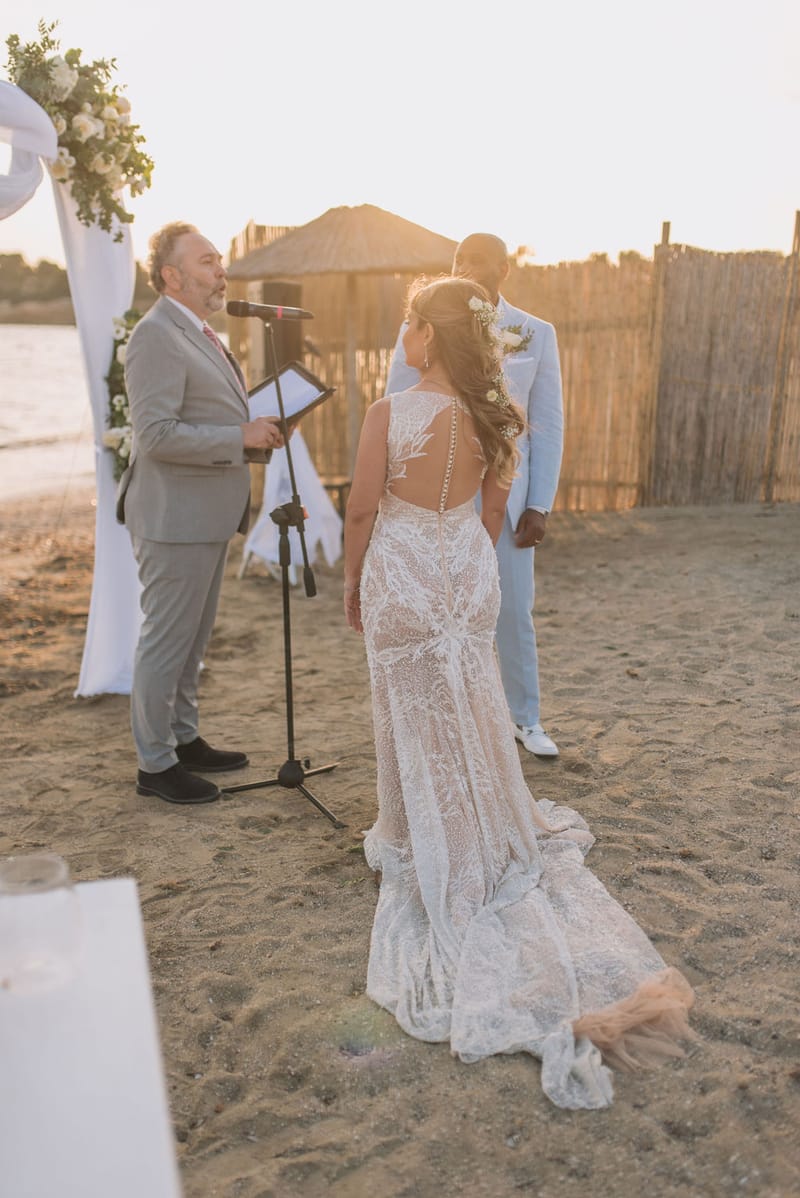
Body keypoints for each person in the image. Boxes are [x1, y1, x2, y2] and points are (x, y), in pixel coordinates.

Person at [344, 275, 694, 1110]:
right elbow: (492, 514)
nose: (403, 338)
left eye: (408, 326)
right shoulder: (500, 414)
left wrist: (355, 583)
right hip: (465, 570)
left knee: (412, 709)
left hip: (402, 565)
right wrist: (462, 567)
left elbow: (360, 511)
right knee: (467, 702)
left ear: (428, 335)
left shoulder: (388, 414)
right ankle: (461, 825)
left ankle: (415, 830)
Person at [117, 222, 283, 806]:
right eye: (208, 261)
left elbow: (205, 417)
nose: (221, 271)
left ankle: (184, 737)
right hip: (173, 516)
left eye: (219, 260)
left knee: (193, 640)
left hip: (209, 512)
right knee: (167, 640)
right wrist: (238, 433)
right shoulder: (155, 335)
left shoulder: (203, 332)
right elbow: (156, 435)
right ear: (172, 275)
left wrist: (253, 439)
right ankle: (155, 766)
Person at [386, 233, 562, 758]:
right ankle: (450, 718)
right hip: (437, 496)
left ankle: (524, 719)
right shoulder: (418, 330)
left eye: (479, 262)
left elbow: (547, 426)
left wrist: (539, 504)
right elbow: (398, 408)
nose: (467, 268)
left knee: (511, 609)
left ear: (505, 270)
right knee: (439, 608)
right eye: (460, 260)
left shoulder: (535, 333)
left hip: (508, 498)